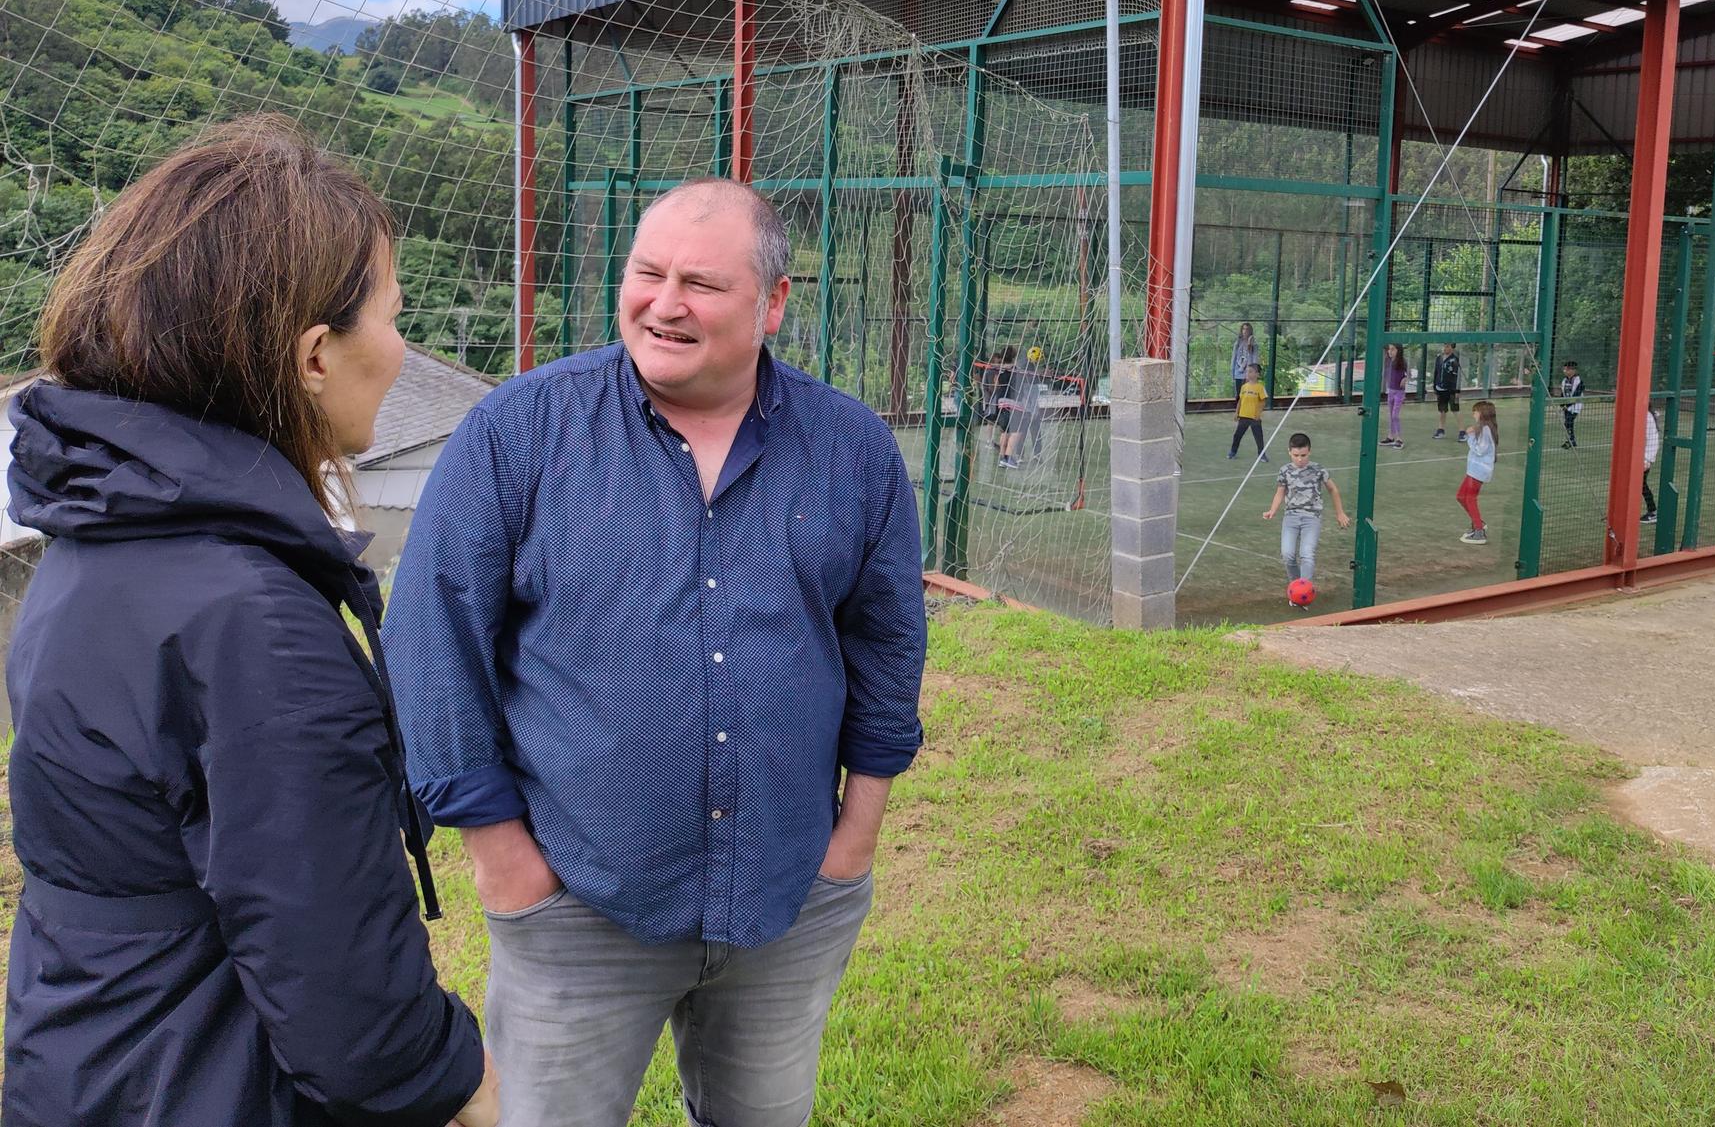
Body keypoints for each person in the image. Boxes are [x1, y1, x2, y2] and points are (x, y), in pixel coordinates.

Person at [385, 177, 926, 1127]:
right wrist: (502, 856)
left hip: (788, 898)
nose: (665, 303)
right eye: (647, 272)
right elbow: (433, 644)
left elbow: (886, 647)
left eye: (702, 284)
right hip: (574, 904)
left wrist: (856, 837)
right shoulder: (519, 434)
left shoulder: (854, 450)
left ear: (774, 302)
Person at [4, 122, 495, 1127]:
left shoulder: (104, 534)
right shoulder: (251, 623)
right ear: (315, 355)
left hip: (95, 1058)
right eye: (394, 319)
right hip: (209, 1084)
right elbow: (354, 1019)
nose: (403, 353)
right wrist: (462, 1086)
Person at [1263, 431, 1351, 595]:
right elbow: (1280, 492)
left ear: (1309, 451)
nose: (1300, 459)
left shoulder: (1318, 469)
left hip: (1312, 518)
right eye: (1296, 455)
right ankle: (1296, 588)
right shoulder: (1285, 471)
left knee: (1307, 554)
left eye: (1303, 455)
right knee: (1287, 554)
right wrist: (1272, 510)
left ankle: (1305, 591)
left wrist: (1340, 513)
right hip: (1291, 517)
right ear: (1289, 452)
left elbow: (1333, 489)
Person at [1459, 399, 1498, 544]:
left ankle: (1479, 532)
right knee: (1461, 496)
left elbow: (1479, 450)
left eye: (1475, 411)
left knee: (1469, 498)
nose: (1473, 414)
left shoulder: (1486, 430)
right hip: (1474, 469)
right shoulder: (1483, 428)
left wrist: (1470, 436)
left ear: (1482, 413)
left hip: (1479, 470)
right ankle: (1478, 523)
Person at [999, 342, 1040, 469]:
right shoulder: (1015, 369)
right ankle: (1009, 457)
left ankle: (1002, 457)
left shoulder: (999, 368)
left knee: (1005, 431)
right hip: (1013, 402)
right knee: (1017, 431)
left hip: (1002, 401)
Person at [1230, 361, 1269, 461]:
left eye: (1251, 371)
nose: (1248, 374)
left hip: (1254, 418)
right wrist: (1236, 412)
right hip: (1243, 416)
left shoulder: (1260, 387)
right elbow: (1240, 401)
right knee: (1237, 435)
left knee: (1258, 437)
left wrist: (1258, 413)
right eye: (1247, 372)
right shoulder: (1244, 387)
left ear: (1257, 374)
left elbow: (1263, 401)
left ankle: (1262, 455)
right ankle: (1232, 452)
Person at [1432, 342, 1462, 440]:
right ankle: (1441, 430)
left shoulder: (1455, 360)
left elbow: (1458, 377)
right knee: (1442, 410)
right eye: (1444, 346)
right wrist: (1435, 387)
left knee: (1455, 410)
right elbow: (1436, 373)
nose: (1445, 348)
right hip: (1440, 389)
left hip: (1452, 390)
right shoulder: (1439, 358)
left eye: (1448, 346)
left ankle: (1462, 432)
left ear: (1452, 348)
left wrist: (1457, 391)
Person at [1381, 343, 1409, 448]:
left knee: (1395, 415)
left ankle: (1399, 439)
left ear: (1398, 350)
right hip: (1391, 391)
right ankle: (1390, 437)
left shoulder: (1402, 362)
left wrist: (1405, 378)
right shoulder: (1388, 361)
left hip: (1399, 392)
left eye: (1393, 349)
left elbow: (1407, 374)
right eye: (1389, 349)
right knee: (1391, 415)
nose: (1390, 351)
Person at [1641, 406, 1662, 524]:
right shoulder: (1643, 415)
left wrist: (1647, 459)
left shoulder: (1647, 417)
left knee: (1641, 485)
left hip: (1644, 458)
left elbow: (1652, 440)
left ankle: (1653, 511)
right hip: (1638, 456)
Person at [1558, 360, 1584, 449]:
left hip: (1575, 406)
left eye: (1567, 369)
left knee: (1568, 422)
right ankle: (1571, 441)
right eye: (1564, 369)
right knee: (1568, 423)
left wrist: (1568, 405)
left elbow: (1577, 394)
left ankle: (1571, 441)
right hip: (1566, 407)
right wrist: (1562, 404)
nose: (1565, 371)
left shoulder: (1578, 381)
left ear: (1573, 370)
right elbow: (1562, 393)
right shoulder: (1564, 380)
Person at [1231, 322, 1257, 402]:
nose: (1245, 331)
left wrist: (1254, 374)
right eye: (1243, 329)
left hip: (1248, 373)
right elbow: (1234, 358)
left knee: (1247, 395)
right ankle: (1238, 412)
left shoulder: (1254, 344)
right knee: (1238, 395)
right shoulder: (1238, 343)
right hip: (1238, 371)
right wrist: (1232, 372)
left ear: (1250, 331)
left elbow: (1254, 358)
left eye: (1247, 329)